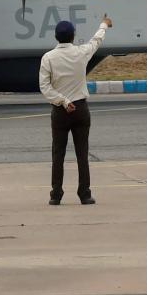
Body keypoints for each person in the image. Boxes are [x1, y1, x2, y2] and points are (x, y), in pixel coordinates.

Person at [39, 15, 112, 205]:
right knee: (82, 153)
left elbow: (44, 87)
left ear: (56, 37)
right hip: (80, 109)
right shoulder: (81, 53)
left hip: (60, 111)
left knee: (58, 154)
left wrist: (62, 101)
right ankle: (84, 194)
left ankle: (56, 195)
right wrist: (104, 24)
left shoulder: (48, 58)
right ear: (73, 36)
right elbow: (96, 41)